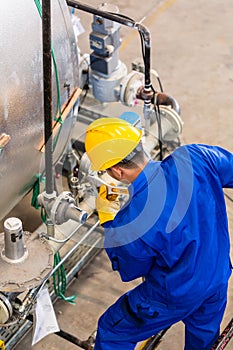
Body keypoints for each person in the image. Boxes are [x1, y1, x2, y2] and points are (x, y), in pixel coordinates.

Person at [84, 116, 233, 350]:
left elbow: (132, 268)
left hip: (175, 293)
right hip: (217, 276)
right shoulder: (196, 157)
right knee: (203, 336)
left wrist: (109, 220)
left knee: (113, 330)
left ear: (116, 172)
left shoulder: (132, 221)